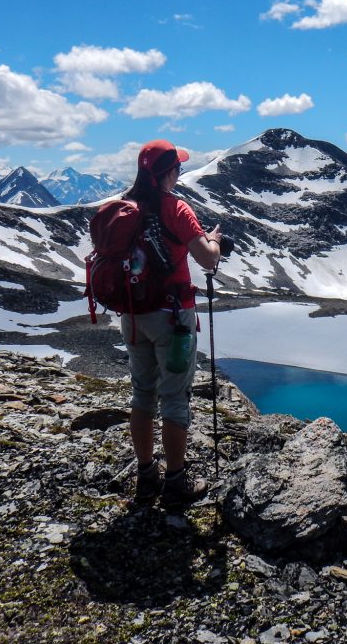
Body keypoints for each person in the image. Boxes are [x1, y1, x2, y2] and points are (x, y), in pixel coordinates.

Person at [122, 139, 221, 509]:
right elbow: (208, 259)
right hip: (172, 317)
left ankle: (146, 477)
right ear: (168, 172)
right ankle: (175, 483)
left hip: (132, 315)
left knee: (142, 393)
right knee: (175, 397)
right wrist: (214, 241)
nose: (179, 172)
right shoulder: (175, 207)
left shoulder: (125, 206)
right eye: (176, 167)